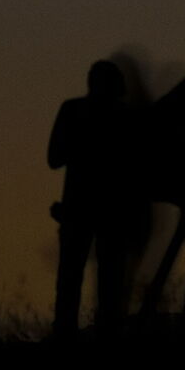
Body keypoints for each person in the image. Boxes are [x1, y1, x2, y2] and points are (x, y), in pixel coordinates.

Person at [45, 60, 151, 338]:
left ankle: (69, 333)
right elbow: (138, 168)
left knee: (75, 276)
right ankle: (103, 332)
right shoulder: (125, 117)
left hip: (86, 210)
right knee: (107, 278)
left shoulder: (74, 110)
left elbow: (54, 158)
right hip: (109, 212)